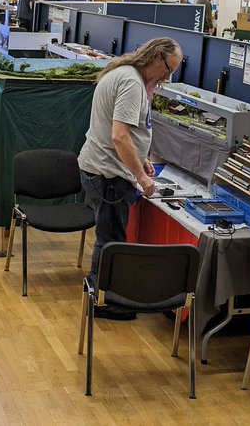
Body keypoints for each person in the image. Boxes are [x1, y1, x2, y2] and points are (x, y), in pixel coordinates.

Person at [78, 37, 182, 320]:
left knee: (109, 237)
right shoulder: (132, 83)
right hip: (108, 175)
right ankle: (101, 300)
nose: (167, 77)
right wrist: (140, 176)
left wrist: (141, 158)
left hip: (100, 168)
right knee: (110, 241)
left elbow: (122, 134)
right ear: (155, 57)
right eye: (167, 69)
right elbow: (119, 135)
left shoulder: (123, 73)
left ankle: (100, 293)